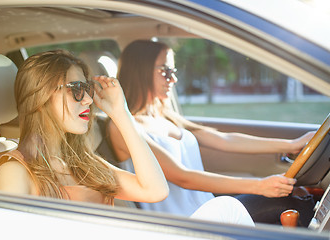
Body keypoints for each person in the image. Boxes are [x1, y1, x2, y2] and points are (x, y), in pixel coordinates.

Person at [0, 49, 254, 226]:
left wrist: (121, 114)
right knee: (227, 211)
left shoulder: (84, 162)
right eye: (77, 89)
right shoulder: (15, 172)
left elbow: (155, 190)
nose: (88, 99)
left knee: (228, 210)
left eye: (87, 89)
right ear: (40, 96)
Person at [108, 40, 316, 226]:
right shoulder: (123, 128)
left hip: (207, 207)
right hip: (184, 222)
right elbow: (183, 177)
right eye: (165, 71)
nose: (173, 79)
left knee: (301, 197)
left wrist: (291, 144)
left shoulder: (166, 116)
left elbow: (225, 140)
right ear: (140, 71)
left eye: (174, 71)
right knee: (294, 202)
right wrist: (260, 186)